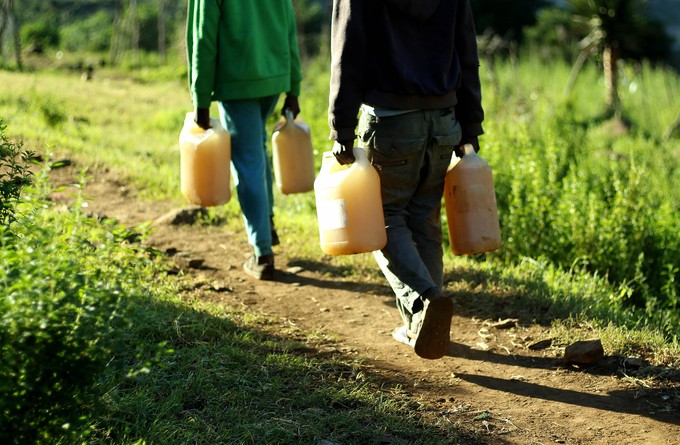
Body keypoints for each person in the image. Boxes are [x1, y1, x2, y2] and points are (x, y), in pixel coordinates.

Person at [328, 0, 485, 359]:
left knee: (383, 219)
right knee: (424, 218)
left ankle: (424, 300)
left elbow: (347, 55)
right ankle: (422, 326)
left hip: (390, 121)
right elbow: (467, 51)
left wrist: (341, 127)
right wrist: (471, 123)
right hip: (445, 119)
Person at [186, 0, 302, 280]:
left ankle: (262, 253)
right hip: (274, 79)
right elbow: (289, 27)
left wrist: (200, 98)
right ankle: (267, 224)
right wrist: (294, 87)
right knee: (256, 151)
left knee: (248, 161)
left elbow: (204, 37)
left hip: (236, 83)